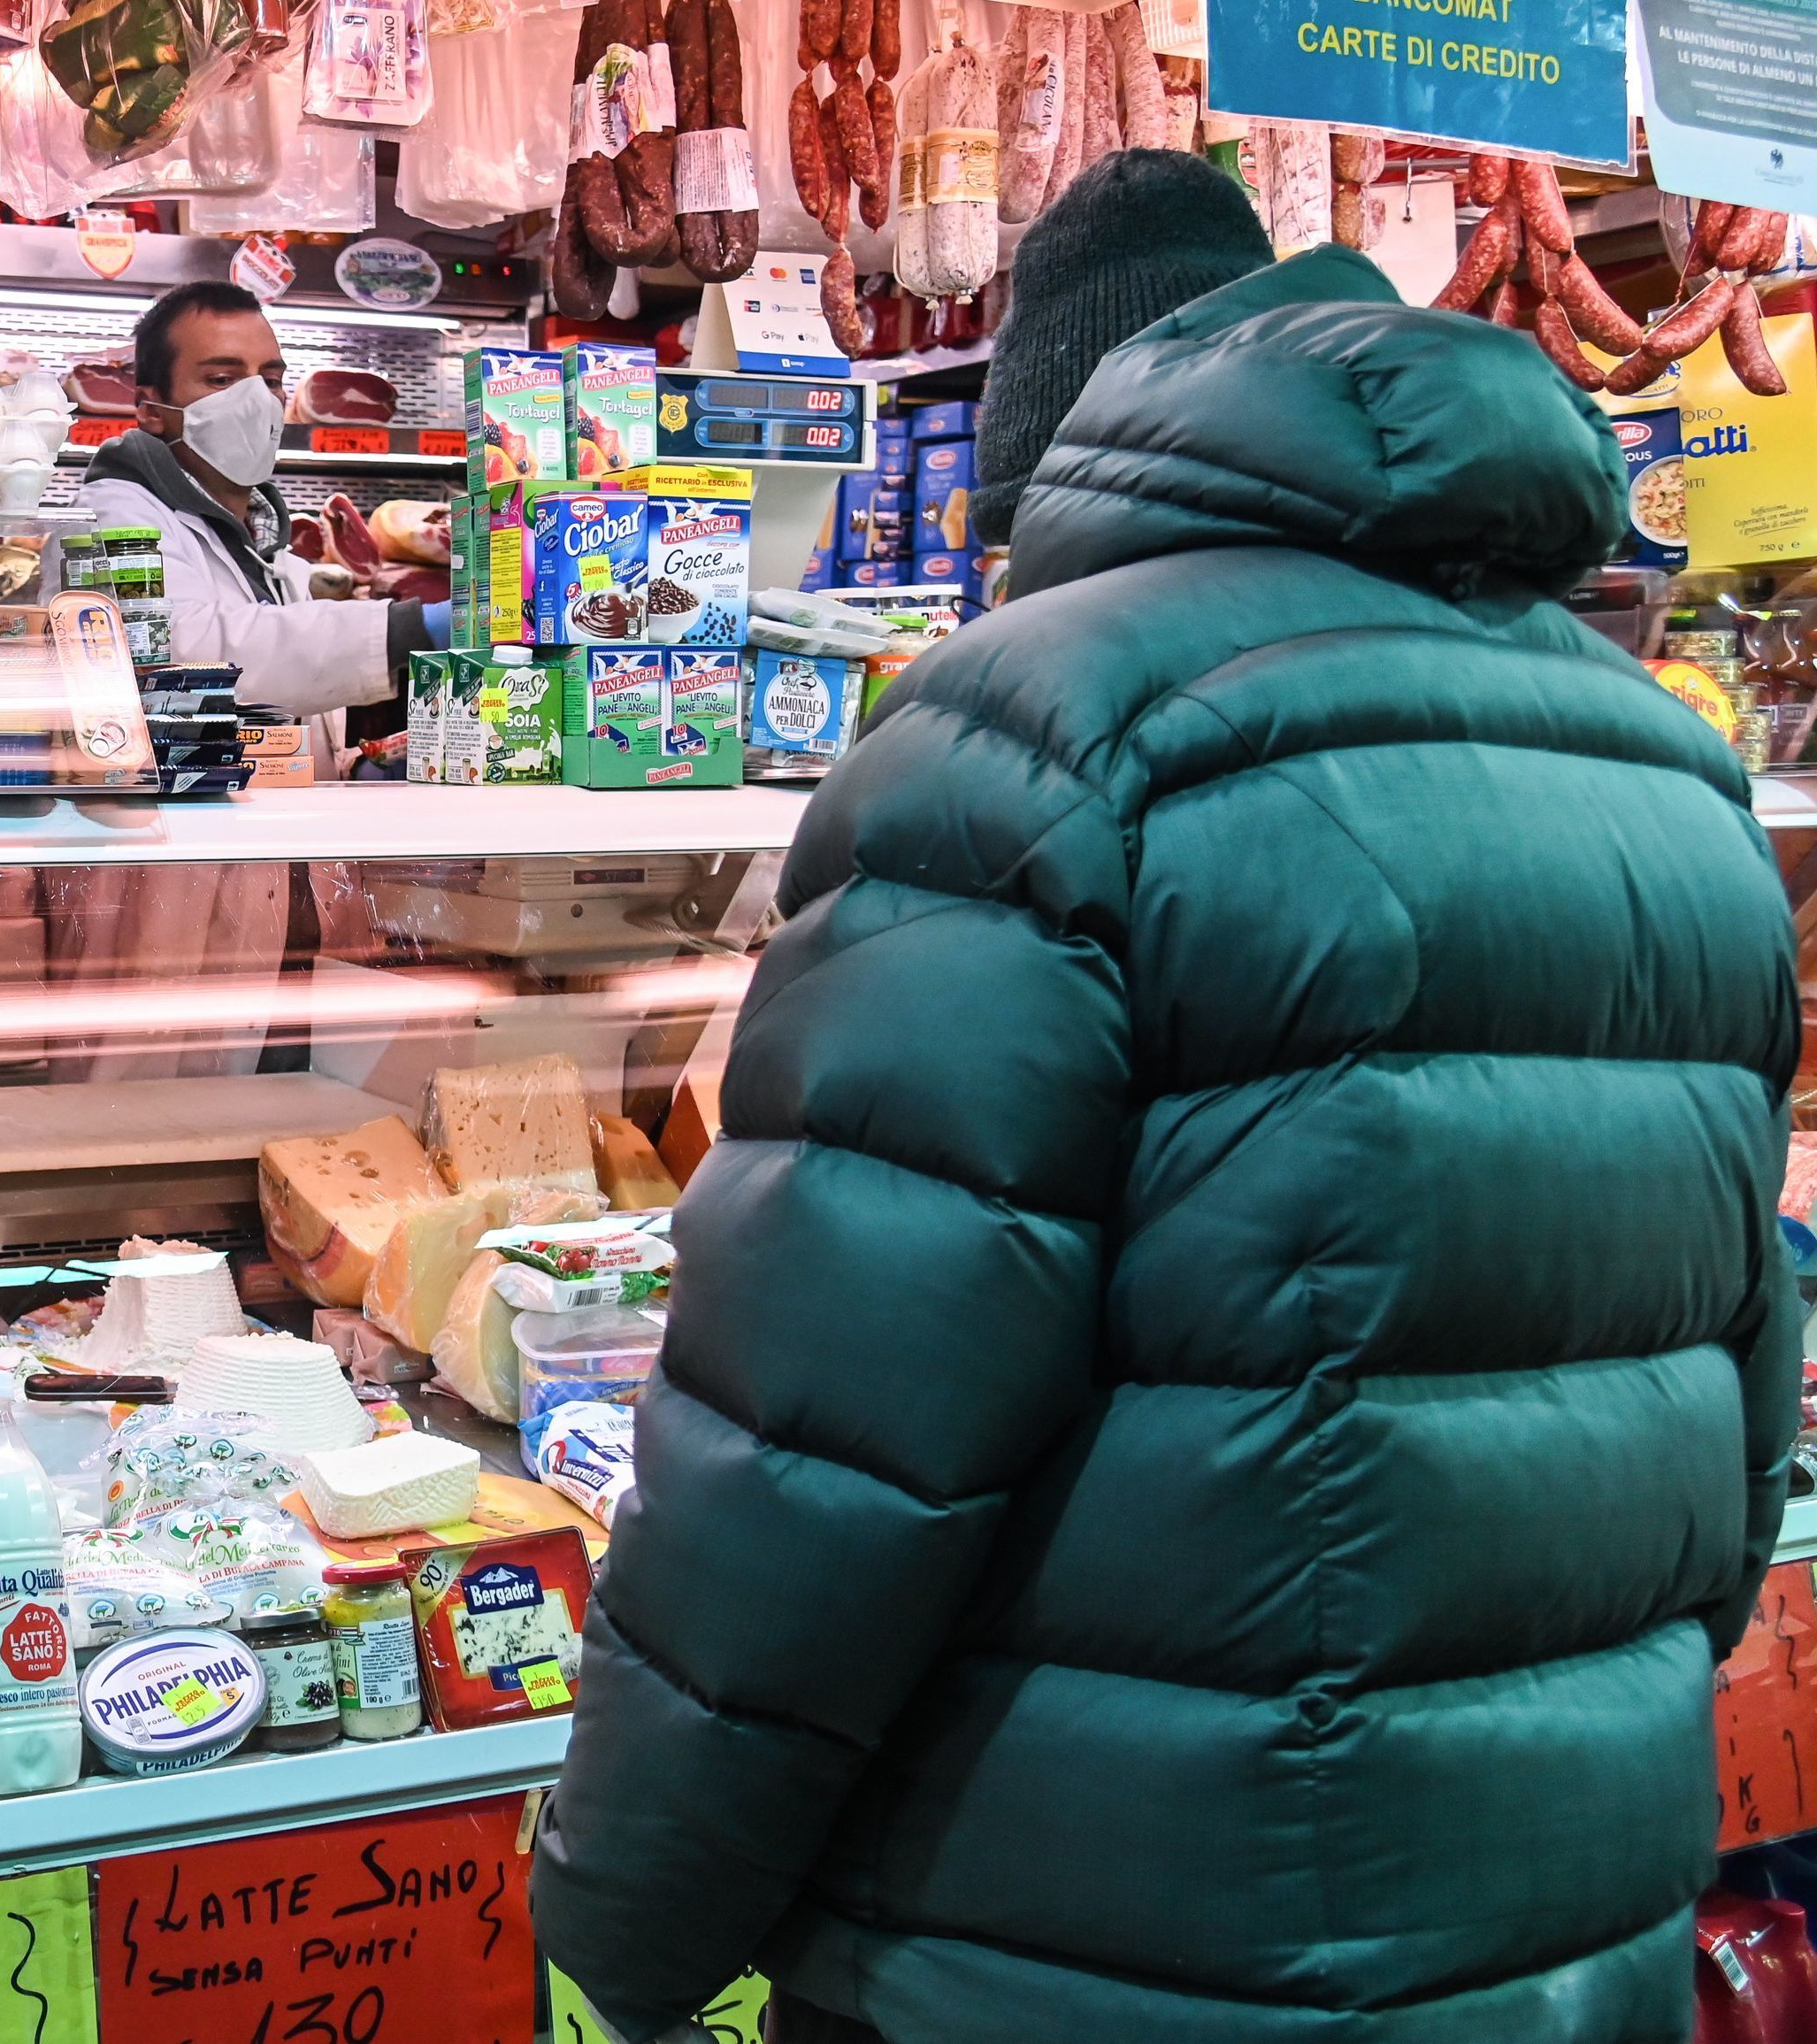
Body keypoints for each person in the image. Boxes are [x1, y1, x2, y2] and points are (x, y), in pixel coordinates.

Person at [533, 149, 1799, 2044]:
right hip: (1558, 1938)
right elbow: (1738, 1399)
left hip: (1080, 1950)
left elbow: (829, 1452)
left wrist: (626, 1909)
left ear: (1049, 449)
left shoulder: (1023, 736)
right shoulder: (1673, 772)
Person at [86, 280, 445, 771]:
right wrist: (411, 629)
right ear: (151, 411)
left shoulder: (267, 549)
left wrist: (349, 770)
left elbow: (277, 713)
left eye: (270, 380)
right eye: (221, 380)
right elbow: (187, 656)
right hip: (179, 836)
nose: (257, 400)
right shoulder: (108, 522)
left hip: (269, 836)